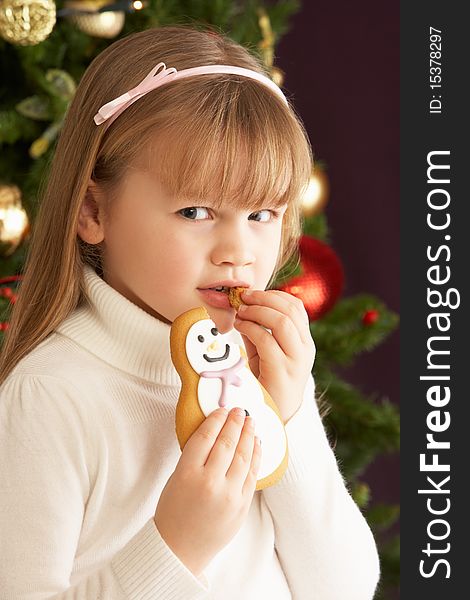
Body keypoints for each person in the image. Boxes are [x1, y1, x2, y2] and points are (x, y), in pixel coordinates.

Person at [0, 25, 380, 599]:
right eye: (196, 210)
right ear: (91, 213)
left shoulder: (247, 373)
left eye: (262, 215)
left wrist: (291, 411)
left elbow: (344, 586)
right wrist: (175, 546)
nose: (238, 253)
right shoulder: (51, 394)